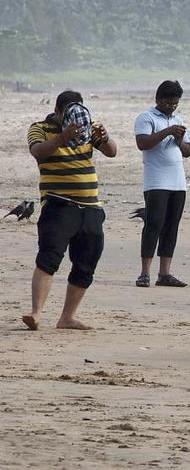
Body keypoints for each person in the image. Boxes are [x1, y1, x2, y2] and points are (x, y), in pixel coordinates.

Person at [22, 90, 117, 330]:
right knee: (49, 257)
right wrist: (63, 137)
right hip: (58, 203)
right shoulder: (40, 128)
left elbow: (112, 151)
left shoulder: (86, 126)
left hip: (90, 205)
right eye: (68, 114)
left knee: (87, 262)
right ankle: (36, 313)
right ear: (58, 111)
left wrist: (104, 138)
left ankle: (67, 317)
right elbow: (38, 152)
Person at [133, 80, 190, 288]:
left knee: (171, 226)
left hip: (178, 182)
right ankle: (145, 272)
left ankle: (164, 272)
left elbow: (187, 151)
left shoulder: (178, 118)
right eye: (168, 103)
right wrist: (167, 132)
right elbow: (143, 144)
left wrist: (179, 139)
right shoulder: (146, 118)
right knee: (154, 224)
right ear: (158, 100)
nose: (172, 107)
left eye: (175, 103)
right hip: (156, 180)